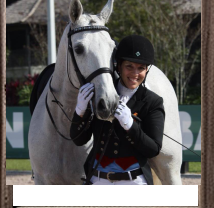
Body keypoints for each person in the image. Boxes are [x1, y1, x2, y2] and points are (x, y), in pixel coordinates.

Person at [70, 34, 165, 185]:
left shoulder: (152, 102)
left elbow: (153, 149)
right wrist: (80, 112)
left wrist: (130, 125)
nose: (135, 74)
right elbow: (78, 139)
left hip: (133, 181)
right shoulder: (100, 94)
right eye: (129, 67)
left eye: (141, 68)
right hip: (98, 179)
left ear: (147, 70)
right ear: (119, 66)